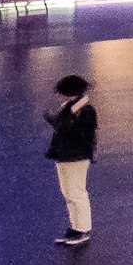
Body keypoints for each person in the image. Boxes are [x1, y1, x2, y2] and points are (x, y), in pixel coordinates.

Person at [45, 73, 99, 246]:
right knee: (68, 193)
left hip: (76, 157)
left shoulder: (86, 111)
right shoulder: (70, 107)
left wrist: (62, 123)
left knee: (76, 193)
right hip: (65, 155)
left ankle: (83, 228)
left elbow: (82, 135)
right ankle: (76, 227)